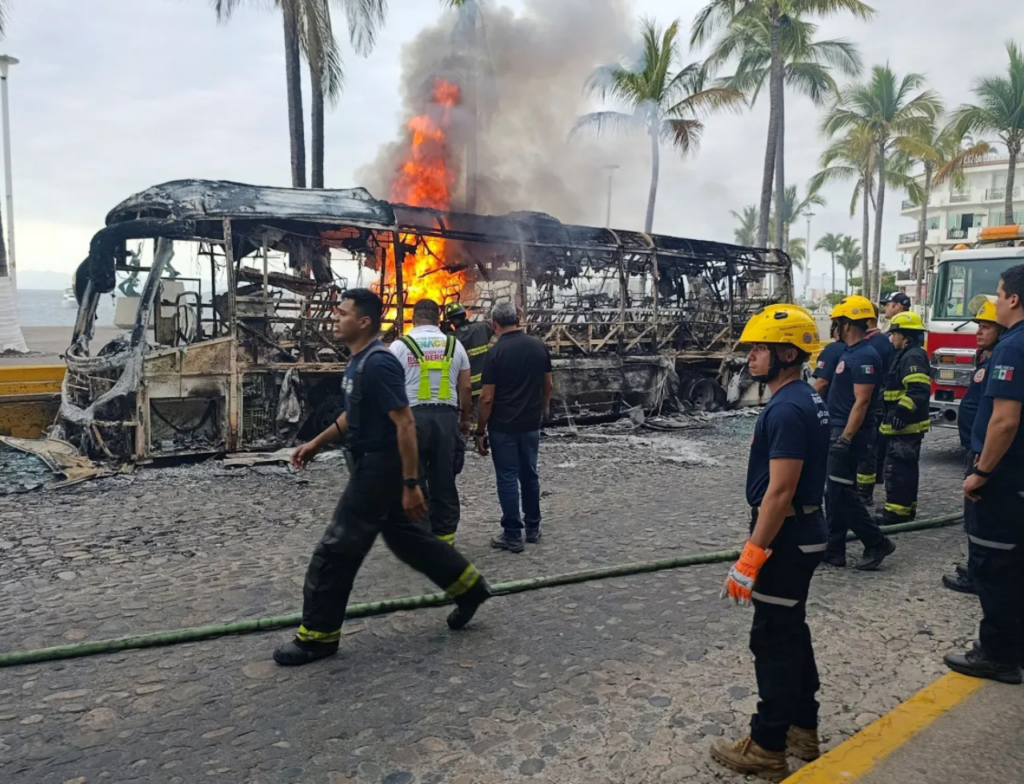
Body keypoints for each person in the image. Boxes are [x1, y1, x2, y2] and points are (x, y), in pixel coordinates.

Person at [273, 289, 491, 666]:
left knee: (336, 549)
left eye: (342, 314)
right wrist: (315, 443)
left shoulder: (379, 363)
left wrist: (409, 484)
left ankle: (318, 636)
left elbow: (404, 421)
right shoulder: (360, 363)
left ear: (364, 322)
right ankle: (469, 589)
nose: (335, 319)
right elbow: (351, 416)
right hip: (369, 464)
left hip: (377, 468)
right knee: (411, 541)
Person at [710, 304, 830, 782]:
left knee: (773, 639)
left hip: (787, 535)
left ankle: (767, 745)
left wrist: (751, 556)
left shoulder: (786, 407)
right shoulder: (806, 398)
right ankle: (803, 728)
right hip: (803, 531)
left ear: (786, 352)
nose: (751, 356)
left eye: (759, 348)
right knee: (791, 630)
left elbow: (779, 492)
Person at [944, 265, 1024, 685]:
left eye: (996, 293)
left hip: (1004, 479)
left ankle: (997, 655)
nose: (993, 302)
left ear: (1012, 299)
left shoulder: (1012, 348)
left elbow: (1005, 421)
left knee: (994, 567)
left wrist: (981, 471)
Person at [389, 299, 473, 545]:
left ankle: (422, 542)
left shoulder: (399, 347)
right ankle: (445, 542)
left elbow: (388, 388)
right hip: (446, 420)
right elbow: (466, 388)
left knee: (414, 480)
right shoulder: (454, 344)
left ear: (413, 319)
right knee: (444, 482)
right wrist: (464, 421)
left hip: (411, 420)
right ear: (439, 319)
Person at [824, 295, 896, 571]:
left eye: (837, 322)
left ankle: (876, 541)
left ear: (846, 324)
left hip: (850, 433)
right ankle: (835, 550)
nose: (834, 327)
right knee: (836, 492)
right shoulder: (849, 352)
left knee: (841, 492)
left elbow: (862, 401)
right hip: (840, 428)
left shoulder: (865, 355)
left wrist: (846, 437)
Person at [475, 301, 553, 553]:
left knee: (507, 477)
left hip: (503, 427)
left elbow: (487, 397)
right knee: (529, 474)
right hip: (530, 425)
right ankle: (532, 527)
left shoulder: (495, 354)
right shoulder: (539, 346)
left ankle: (512, 534)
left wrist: (480, 430)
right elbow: (548, 386)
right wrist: (539, 412)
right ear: (518, 319)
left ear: (494, 324)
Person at [944, 296, 1004, 594]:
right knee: (973, 516)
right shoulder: (988, 358)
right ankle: (977, 566)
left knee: (980, 518)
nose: (978, 332)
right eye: (978, 325)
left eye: (986, 326)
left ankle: (978, 576)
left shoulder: (999, 362)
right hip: (974, 447)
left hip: (982, 452)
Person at [878, 312, 931, 523]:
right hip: (902, 425)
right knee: (905, 468)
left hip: (905, 425)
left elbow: (918, 389)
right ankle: (906, 509)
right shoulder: (907, 354)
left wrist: (901, 412)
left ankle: (896, 513)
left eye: (894, 334)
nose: (892, 339)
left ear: (905, 335)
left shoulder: (913, 356)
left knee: (897, 470)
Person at [862, 304, 894, 505]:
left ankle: (865, 491)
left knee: (870, 448)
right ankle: (878, 475)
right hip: (881, 400)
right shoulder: (884, 341)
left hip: (875, 399)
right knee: (879, 444)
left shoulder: (873, 345)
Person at [446, 301, 495, 410]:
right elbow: (493, 327)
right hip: (484, 385)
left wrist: (445, 331)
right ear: (464, 314)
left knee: (465, 418)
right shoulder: (482, 327)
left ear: (452, 321)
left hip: (464, 389)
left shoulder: (451, 338)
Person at [811, 323, 845, 400]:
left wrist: (806, 401)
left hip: (833, 405)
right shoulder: (863, 348)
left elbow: (822, 382)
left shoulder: (832, 350)